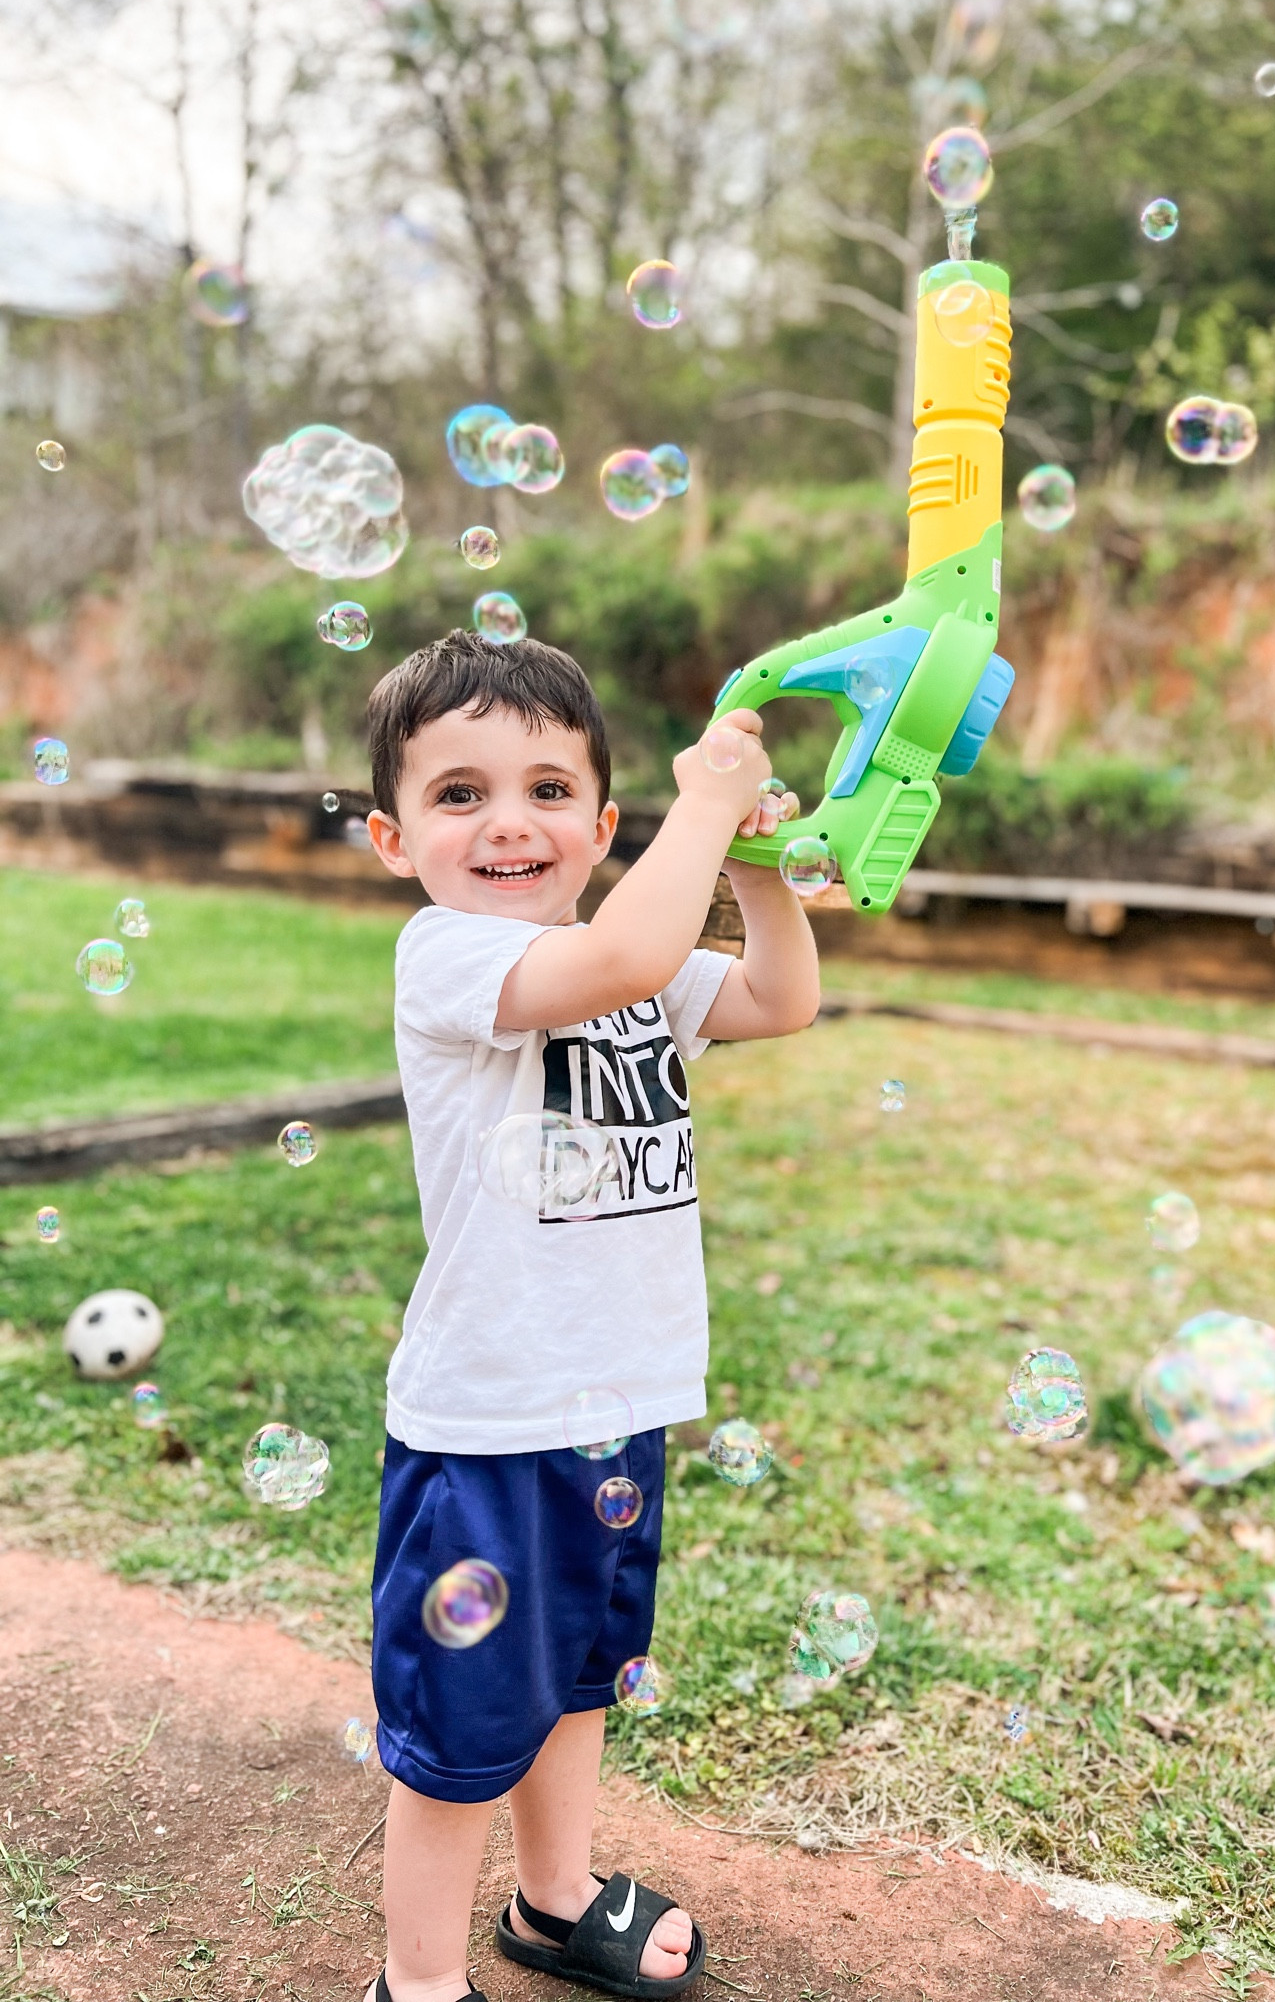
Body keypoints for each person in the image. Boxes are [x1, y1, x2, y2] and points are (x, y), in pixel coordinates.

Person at [361, 629, 820, 2002]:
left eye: (550, 790)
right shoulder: (448, 958)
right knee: (460, 1732)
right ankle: (417, 1983)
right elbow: (625, 952)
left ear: (603, 826)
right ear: (395, 839)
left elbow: (780, 999)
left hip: (613, 1410)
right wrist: (711, 801)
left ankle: (554, 1902)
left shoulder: (637, 965)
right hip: (490, 1425)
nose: (510, 822)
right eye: (461, 795)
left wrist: (753, 865)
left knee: (577, 1677)